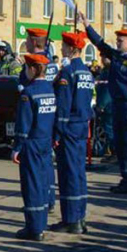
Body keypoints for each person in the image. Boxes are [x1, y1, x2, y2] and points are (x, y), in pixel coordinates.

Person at [80, 12, 127, 193]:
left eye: (121, 41)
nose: (117, 43)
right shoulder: (116, 56)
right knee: (119, 144)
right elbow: (99, 43)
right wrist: (87, 26)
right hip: (117, 104)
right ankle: (126, 178)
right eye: (117, 40)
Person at [51, 31, 93, 234]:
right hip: (82, 125)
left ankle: (71, 219)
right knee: (79, 173)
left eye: (64, 46)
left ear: (71, 48)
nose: (61, 49)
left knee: (68, 174)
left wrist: (57, 133)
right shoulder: (85, 71)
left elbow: (63, 106)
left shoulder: (68, 72)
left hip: (69, 127)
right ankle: (80, 216)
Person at [12, 53, 56, 242]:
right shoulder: (50, 89)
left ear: (31, 69)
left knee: (31, 186)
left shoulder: (28, 93)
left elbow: (23, 124)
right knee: (44, 183)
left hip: (31, 143)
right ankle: (41, 223)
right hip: (46, 141)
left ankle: (34, 228)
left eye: (26, 68)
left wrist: (17, 147)